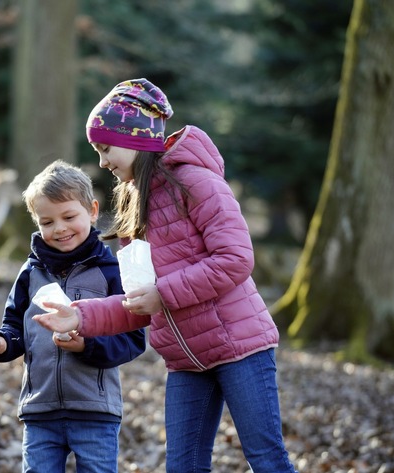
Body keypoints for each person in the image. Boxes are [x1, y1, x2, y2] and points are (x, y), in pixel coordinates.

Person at [33, 79, 298, 473]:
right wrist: (81, 317)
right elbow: (140, 302)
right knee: (184, 467)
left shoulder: (198, 183)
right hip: (185, 361)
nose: (103, 161)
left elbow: (235, 259)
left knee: (266, 458)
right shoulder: (132, 207)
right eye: (97, 151)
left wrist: (164, 293)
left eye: (105, 148)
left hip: (240, 347)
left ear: (135, 139)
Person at [0, 160, 146, 473]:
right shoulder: (31, 273)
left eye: (69, 217)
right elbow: (14, 328)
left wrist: (87, 346)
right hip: (40, 410)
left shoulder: (111, 273)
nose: (60, 228)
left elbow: (134, 340)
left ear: (92, 211)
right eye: (47, 222)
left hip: (95, 410)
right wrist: (1, 344)